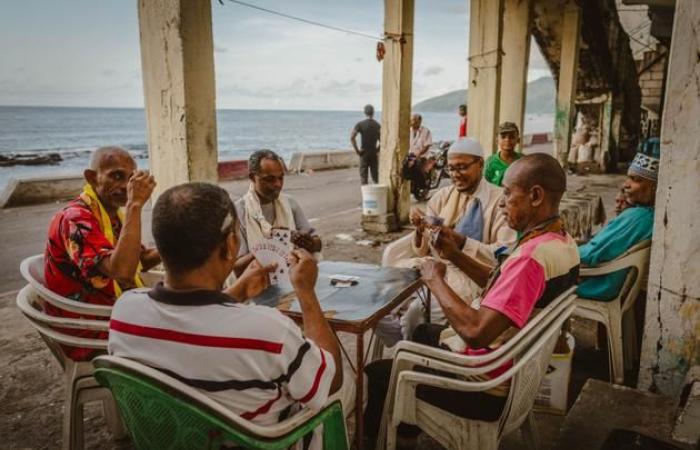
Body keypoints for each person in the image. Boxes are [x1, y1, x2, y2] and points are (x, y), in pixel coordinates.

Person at [364, 153, 580, 446]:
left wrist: (434, 280)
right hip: (512, 369)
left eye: (507, 193)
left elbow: (476, 333)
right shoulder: (561, 242)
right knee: (421, 332)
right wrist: (455, 256)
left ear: (536, 196)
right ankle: (408, 426)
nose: (501, 202)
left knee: (378, 374)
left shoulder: (531, 259)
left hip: (483, 387)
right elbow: (503, 285)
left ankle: (396, 433)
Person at [108, 182, 342, 447]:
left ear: (161, 246)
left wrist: (235, 293)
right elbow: (331, 380)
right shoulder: (269, 332)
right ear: (231, 245)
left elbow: (192, 331)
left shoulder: (125, 312)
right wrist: (306, 292)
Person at [376, 138, 516, 346]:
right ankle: (404, 344)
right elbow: (422, 250)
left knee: (414, 314)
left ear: (480, 164)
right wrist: (420, 229)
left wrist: (462, 244)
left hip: (469, 277)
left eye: (462, 167)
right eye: (451, 169)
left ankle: (412, 353)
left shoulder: (499, 202)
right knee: (378, 304)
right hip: (432, 268)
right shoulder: (441, 197)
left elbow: (503, 253)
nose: (456, 174)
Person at [44, 146, 160, 360]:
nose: (126, 186)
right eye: (116, 176)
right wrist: (135, 205)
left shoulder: (110, 213)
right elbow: (122, 271)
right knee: (180, 334)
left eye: (130, 178)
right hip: (87, 328)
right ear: (91, 178)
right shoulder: (75, 219)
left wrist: (180, 242)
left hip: (113, 311)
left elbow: (139, 260)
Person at [577, 152, 658, 301]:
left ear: (653, 187)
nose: (626, 184)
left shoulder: (637, 217)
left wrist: (562, 250)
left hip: (598, 284)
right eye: (628, 177)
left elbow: (591, 253)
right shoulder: (650, 216)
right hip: (613, 282)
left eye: (636, 180)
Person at [234, 149, 321, 276]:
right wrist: (270, 246)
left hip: (290, 282)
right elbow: (237, 268)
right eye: (269, 179)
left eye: (281, 178)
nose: (277, 184)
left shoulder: (289, 204)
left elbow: (317, 244)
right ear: (253, 177)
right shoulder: (240, 211)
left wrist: (309, 243)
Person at [484, 122, 523, 187]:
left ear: (518, 140)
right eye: (503, 137)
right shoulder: (490, 163)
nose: (507, 140)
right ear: (497, 140)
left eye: (512, 137)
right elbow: (484, 186)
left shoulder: (523, 161)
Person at [351, 104, 381, 185]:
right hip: (373, 153)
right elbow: (382, 141)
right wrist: (377, 150)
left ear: (365, 112)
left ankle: (366, 196)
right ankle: (377, 195)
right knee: (375, 177)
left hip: (364, 153)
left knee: (364, 177)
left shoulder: (360, 124)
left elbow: (352, 137)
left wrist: (357, 151)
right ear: (373, 112)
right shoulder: (377, 125)